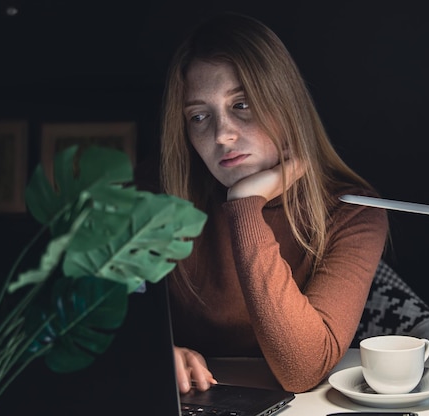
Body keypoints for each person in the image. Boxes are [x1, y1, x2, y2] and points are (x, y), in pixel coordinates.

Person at [135, 12, 388, 394]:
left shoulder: (353, 212)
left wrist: (245, 205)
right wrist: (153, 350)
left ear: (284, 102)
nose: (222, 135)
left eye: (242, 105)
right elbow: (72, 323)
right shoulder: (154, 196)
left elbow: (301, 368)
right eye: (199, 116)